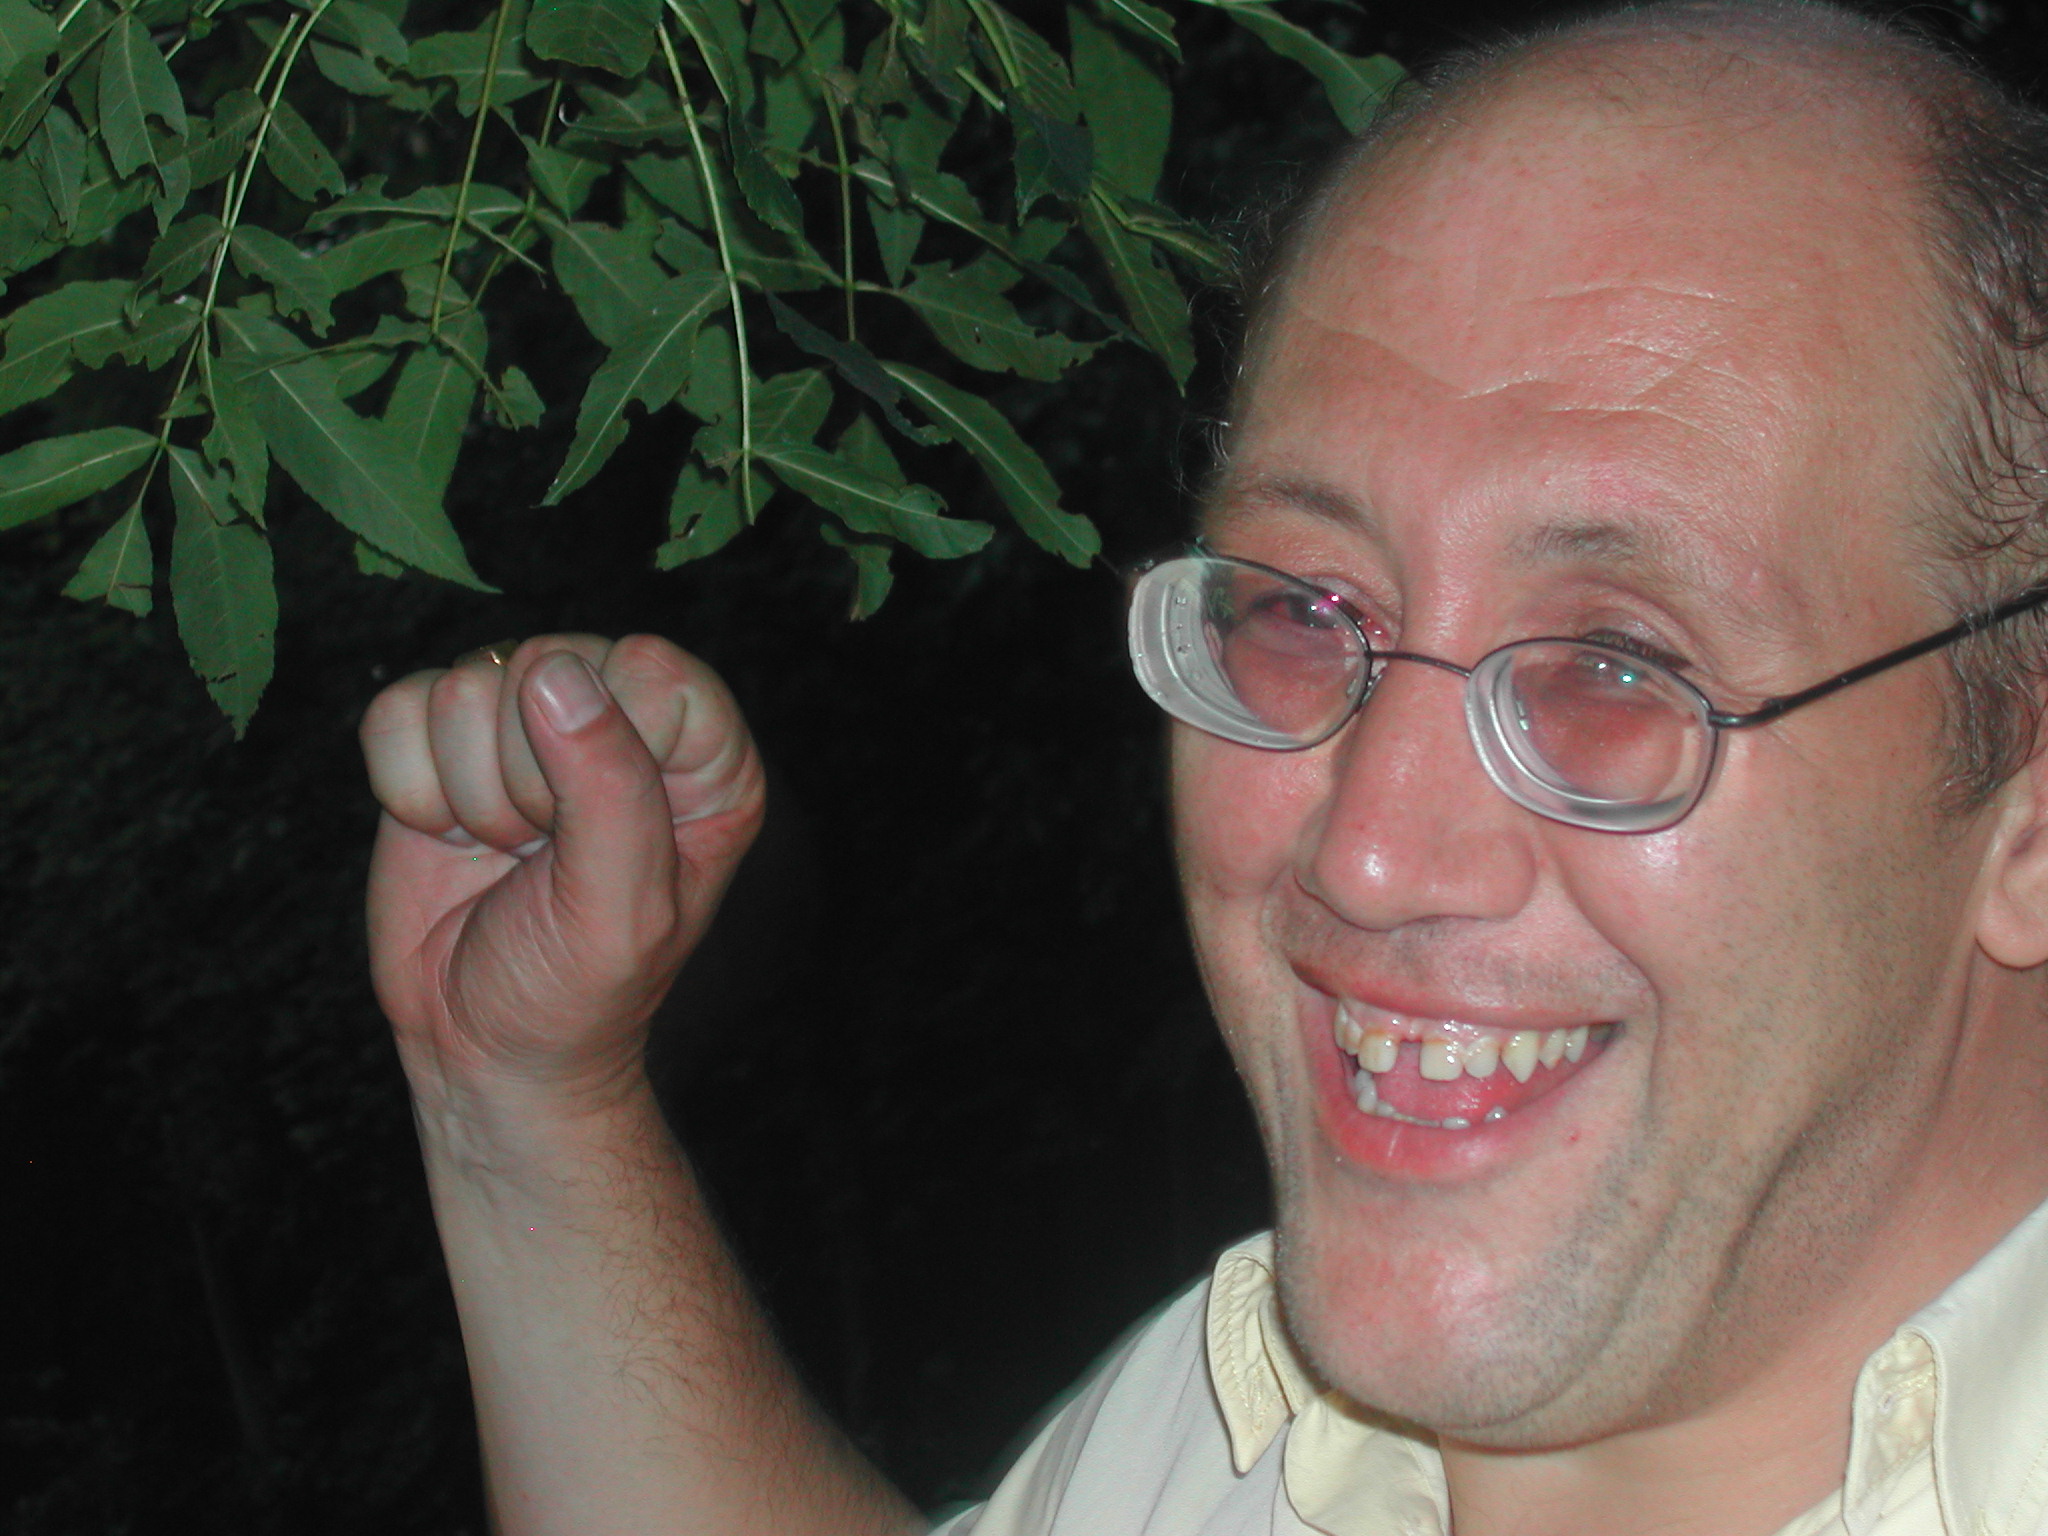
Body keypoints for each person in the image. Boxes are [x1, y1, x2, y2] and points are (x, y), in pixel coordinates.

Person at [355, 2, 2048, 1532]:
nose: (1366, 856)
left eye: (1617, 669)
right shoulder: (1243, 1428)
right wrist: (529, 1103)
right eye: (1310, 609)